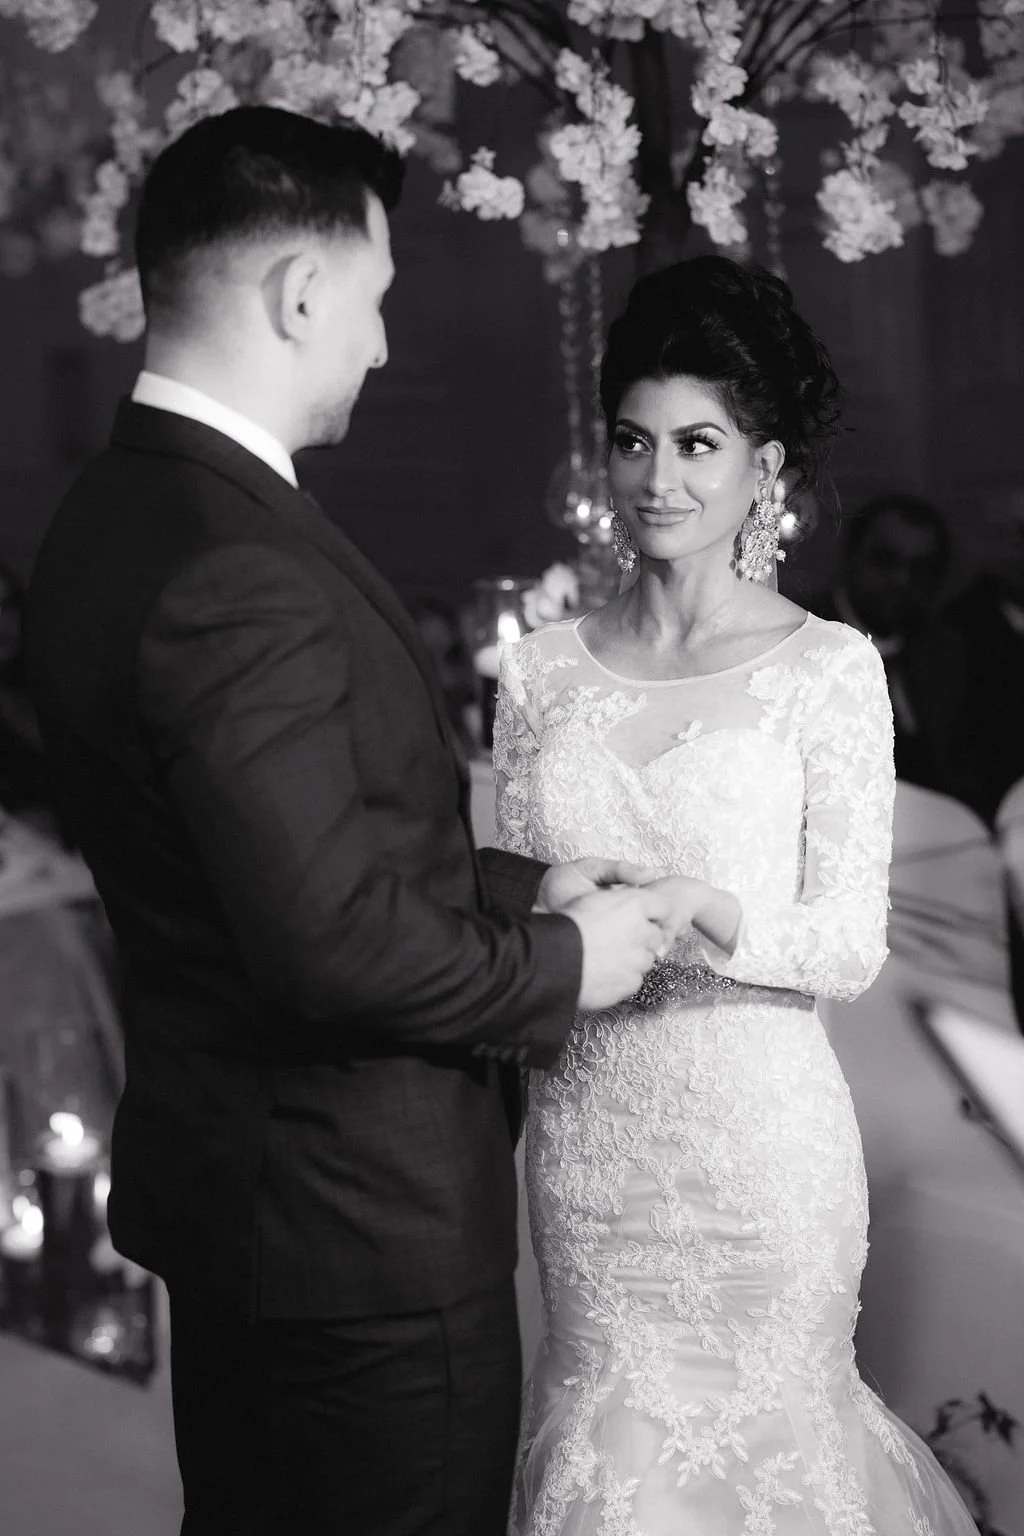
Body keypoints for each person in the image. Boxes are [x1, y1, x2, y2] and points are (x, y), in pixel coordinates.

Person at [24, 107, 684, 1536]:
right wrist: (575, 959)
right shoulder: (234, 566)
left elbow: (270, 859)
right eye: (376, 305)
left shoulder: (118, 517)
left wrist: (517, 886)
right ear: (301, 293)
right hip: (355, 1241)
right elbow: (328, 945)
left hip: (255, 1212)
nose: (382, 349)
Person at [495, 255, 979, 1534]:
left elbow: (847, 944)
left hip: (764, 1154)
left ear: (763, 467)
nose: (661, 479)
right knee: (611, 1462)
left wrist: (714, 907)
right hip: (593, 1145)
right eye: (633, 441)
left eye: (698, 444)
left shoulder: (828, 671)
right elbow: (514, 919)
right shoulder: (539, 677)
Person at [809, 494, 973, 802]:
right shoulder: (806, 639)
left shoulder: (944, 651)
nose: (901, 580)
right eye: (885, 560)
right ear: (850, 558)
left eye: (920, 568)